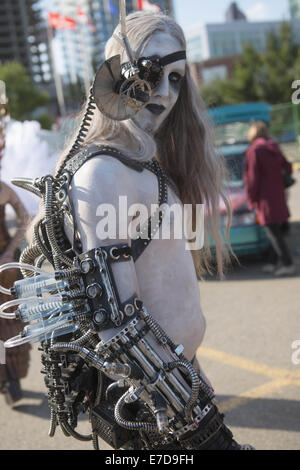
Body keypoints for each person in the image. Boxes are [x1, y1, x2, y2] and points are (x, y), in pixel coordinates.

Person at [19, 10, 253, 450]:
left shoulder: (142, 166)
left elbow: (159, 298)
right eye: (150, 73)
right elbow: (116, 323)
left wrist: (194, 371)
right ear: (115, 76)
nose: (165, 92)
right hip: (152, 408)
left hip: (174, 392)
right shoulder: (104, 173)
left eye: (177, 78)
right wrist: (194, 417)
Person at [0, 102, 31, 405]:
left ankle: (11, 379)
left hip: (5, 268)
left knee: (9, 322)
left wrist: (10, 251)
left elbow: (25, 219)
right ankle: (4, 379)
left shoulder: (3, 188)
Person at [243, 121, 296, 276]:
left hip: (265, 199)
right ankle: (272, 263)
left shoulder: (254, 151)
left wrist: (251, 200)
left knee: (273, 232)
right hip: (278, 196)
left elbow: (252, 179)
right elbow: (288, 167)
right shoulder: (274, 147)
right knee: (275, 231)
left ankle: (288, 263)